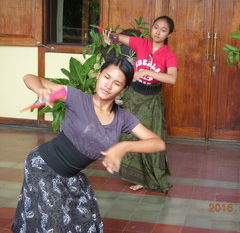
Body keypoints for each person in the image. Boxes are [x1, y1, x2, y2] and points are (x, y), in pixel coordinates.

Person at [12, 56, 165, 232]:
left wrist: (124, 146)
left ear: (124, 89)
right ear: (99, 75)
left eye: (116, 83)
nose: (108, 85)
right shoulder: (76, 97)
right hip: (42, 166)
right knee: (53, 224)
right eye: (106, 77)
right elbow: (29, 77)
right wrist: (40, 89)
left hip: (70, 176)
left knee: (86, 224)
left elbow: (157, 143)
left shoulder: (123, 118)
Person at [103, 16, 178, 193]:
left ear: (169, 34)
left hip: (152, 101)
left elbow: (172, 78)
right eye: (156, 27)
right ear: (151, 28)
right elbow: (117, 37)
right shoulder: (141, 44)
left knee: (150, 138)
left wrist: (145, 71)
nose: (158, 32)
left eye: (163, 30)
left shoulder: (169, 55)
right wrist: (109, 38)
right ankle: (137, 176)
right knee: (130, 136)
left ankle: (149, 178)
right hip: (133, 97)